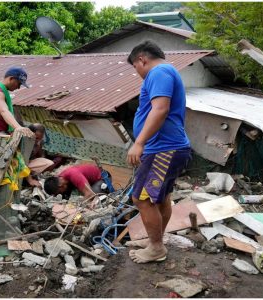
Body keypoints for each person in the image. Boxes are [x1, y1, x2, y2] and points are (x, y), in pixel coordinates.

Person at [125, 40, 192, 264]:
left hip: (163, 149)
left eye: (135, 67)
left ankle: (156, 247)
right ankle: (156, 240)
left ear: (142, 59)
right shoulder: (167, 72)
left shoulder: (159, 72)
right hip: (169, 148)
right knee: (160, 197)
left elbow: (160, 109)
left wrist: (139, 142)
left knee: (141, 199)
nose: (137, 73)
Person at [0, 66, 33, 138]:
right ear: (11, 79)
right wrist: (18, 127)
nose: (18, 87)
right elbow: (4, 111)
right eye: (19, 83)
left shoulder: (1, 90)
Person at [44, 164, 109, 200]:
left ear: (60, 185)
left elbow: (90, 194)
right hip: (89, 181)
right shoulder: (60, 178)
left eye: (60, 192)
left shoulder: (74, 175)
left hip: (102, 179)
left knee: (93, 199)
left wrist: (78, 205)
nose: (61, 193)